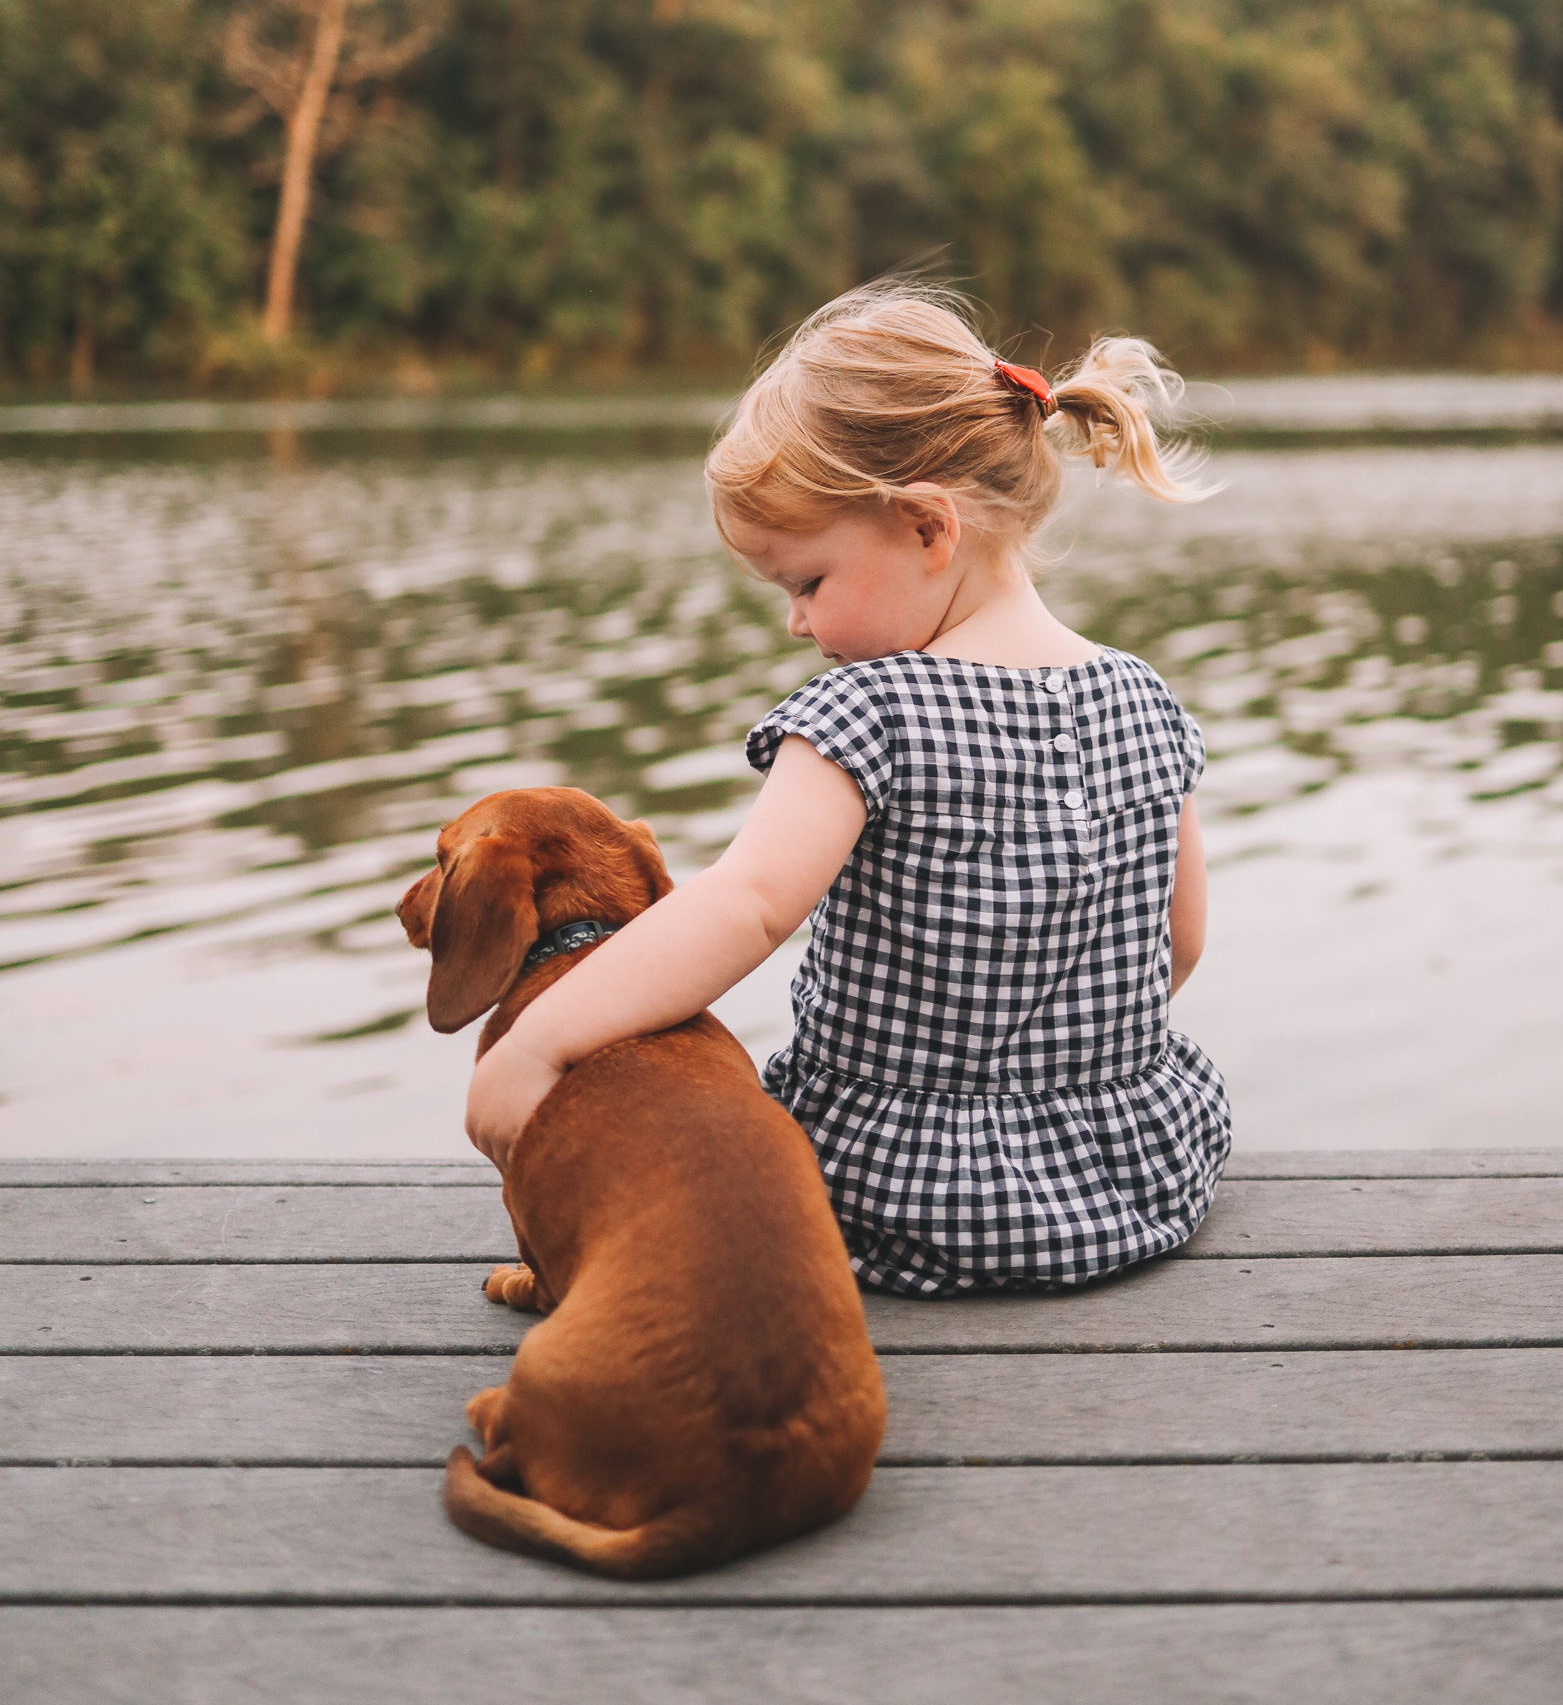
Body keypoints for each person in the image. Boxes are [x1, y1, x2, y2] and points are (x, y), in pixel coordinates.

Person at [466, 285, 1229, 1295]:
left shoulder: (865, 713)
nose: (796, 624)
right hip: (1134, 1179)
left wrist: (540, 1043)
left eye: (808, 583)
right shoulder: (1144, 697)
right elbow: (1178, 944)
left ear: (925, 528)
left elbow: (744, 908)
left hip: (896, 1201)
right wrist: (1054, 1084)